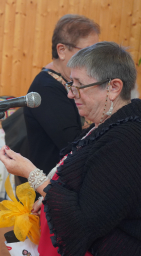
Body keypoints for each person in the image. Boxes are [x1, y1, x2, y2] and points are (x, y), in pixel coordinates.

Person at [0, 42, 141, 256]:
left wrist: (33, 176)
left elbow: (84, 221)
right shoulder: (104, 126)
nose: (70, 94)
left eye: (79, 86)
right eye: (70, 84)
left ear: (113, 87)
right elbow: (88, 191)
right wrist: (48, 198)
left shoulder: (127, 139)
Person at [23, 14, 100, 182]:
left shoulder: (68, 81)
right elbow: (72, 144)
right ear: (62, 50)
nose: (94, 59)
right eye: (87, 51)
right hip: (49, 188)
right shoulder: (46, 87)